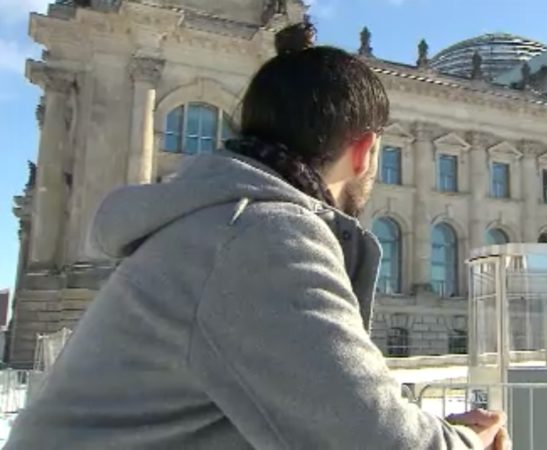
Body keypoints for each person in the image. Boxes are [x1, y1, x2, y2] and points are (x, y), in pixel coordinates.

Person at [5, 22, 509, 450]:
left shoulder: (219, 221)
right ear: (364, 151)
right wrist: (467, 442)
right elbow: (374, 439)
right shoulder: (260, 234)